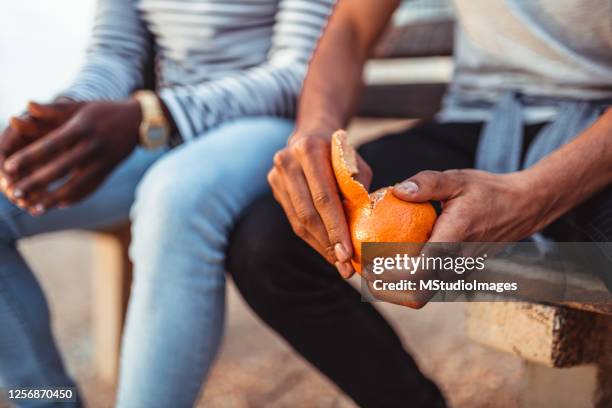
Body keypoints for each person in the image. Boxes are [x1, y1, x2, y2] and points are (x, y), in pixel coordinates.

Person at [226, 0, 612, 406]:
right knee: (267, 246)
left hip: (598, 130)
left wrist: (533, 194)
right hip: (478, 118)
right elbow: (353, 26)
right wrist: (317, 130)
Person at [0, 0, 335, 406]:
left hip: (270, 124)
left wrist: (156, 112)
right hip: (161, 128)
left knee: (174, 198)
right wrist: (69, 116)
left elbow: (301, 73)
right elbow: (114, 54)